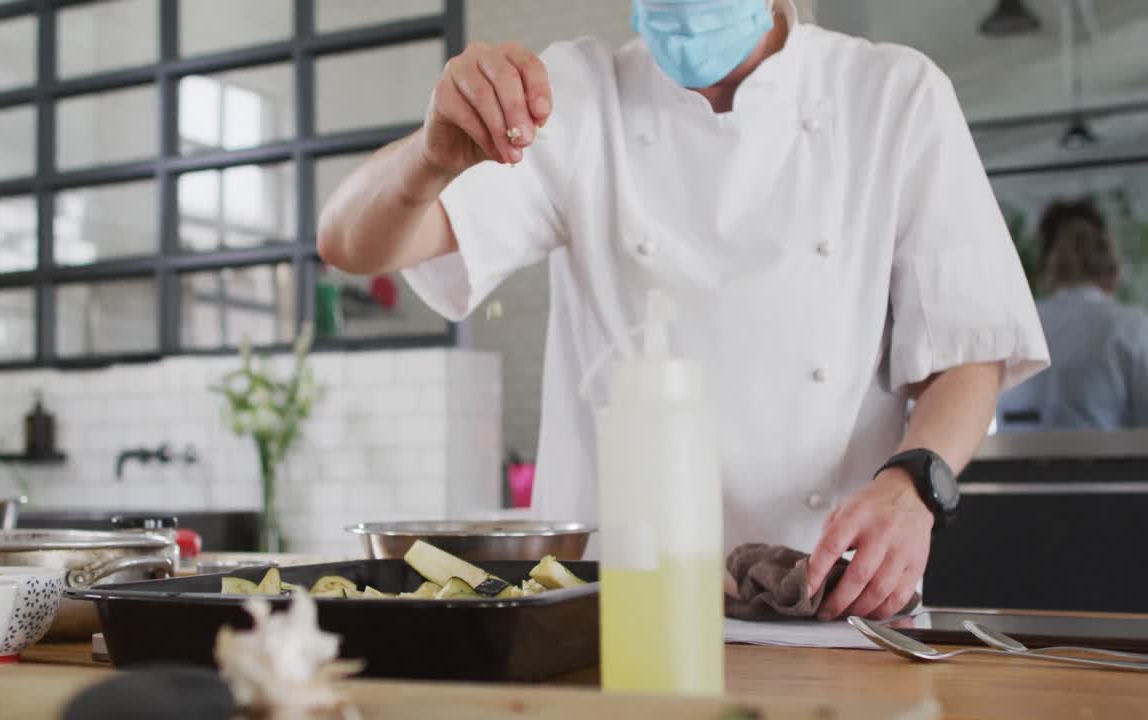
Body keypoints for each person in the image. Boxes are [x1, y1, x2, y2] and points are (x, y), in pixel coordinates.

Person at [317, 0, 1049, 620]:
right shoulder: (577, 95)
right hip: (619, 615)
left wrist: (913, 487)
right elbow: (349, 241)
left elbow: (968, 351)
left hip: (839, 604)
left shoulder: (894, 94)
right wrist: (431, 157)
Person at [999, 199, 1148, 430]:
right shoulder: (1131, 326)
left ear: (1051, 269)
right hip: (1107, 463)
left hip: (1009, 461)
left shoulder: (1016, 323)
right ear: (1112, 273)